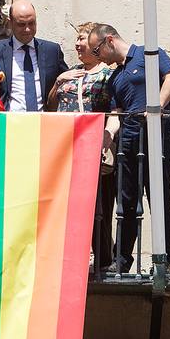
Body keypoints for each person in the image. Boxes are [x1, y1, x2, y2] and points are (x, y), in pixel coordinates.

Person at [87, 23, 170, 276]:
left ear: (109, 41)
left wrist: (156, 108)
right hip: (129, 139)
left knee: (160, 199)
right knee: (126, 201)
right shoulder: (115, 77)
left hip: (159, 136)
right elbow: (116, 113)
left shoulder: (150, 53)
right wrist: (107, 134)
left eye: (97, 51)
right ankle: (122, 259)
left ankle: (165, 260)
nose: (98, 58)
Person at [48, 22, 118, 273]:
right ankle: (72, 255)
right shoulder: (70, 71)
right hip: (66, 146)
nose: (77, 44)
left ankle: (100, 256)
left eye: (82, 39)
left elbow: (114, 109)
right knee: (69, 204)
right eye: (76, 39)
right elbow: (51, 106)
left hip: (92, 146)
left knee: (97, 204)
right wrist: (59, 81)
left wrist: (108, 136)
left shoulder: (107, 75)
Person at [0, 0, 69, 112]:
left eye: (31, 23)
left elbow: (67, 83)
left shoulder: (52, 51)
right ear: (10, 23)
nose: (27, 29)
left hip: (43, 123)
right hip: (7, 123)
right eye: (21, 24)